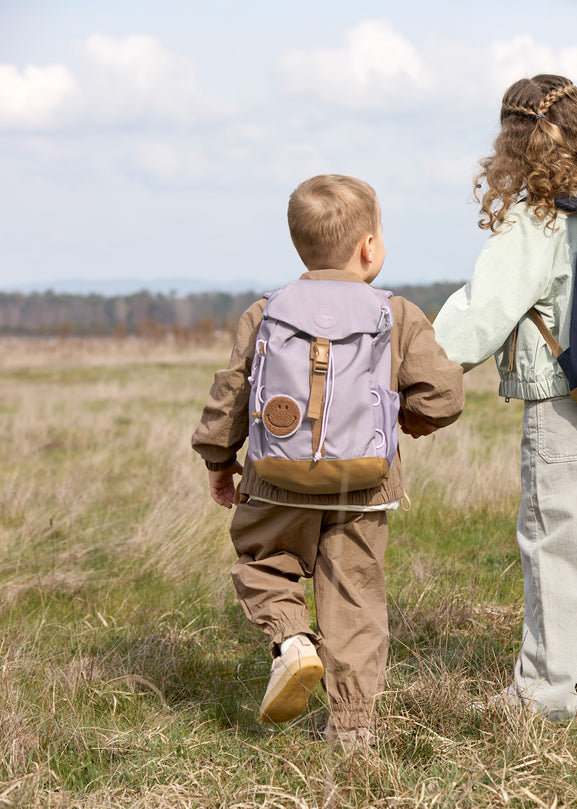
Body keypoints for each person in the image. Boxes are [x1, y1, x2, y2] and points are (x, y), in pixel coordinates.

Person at [191, 174, 464, 749]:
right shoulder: (397, 313)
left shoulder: (266, 311)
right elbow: (445, 394)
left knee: (263, 564)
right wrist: (405, 421)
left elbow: (232, 392)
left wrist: (220, 458)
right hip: (361, 486)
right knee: (355, 597)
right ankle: (353, 729)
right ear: (370, 247)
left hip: (273, 479)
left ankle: (292, 642)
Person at [433, 74, 577, 721]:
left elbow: (481, 314)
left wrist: (410, 363)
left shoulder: (537, 219)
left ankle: (542, 695)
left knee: (558, 539)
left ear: (513, 138)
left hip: (563, 393)